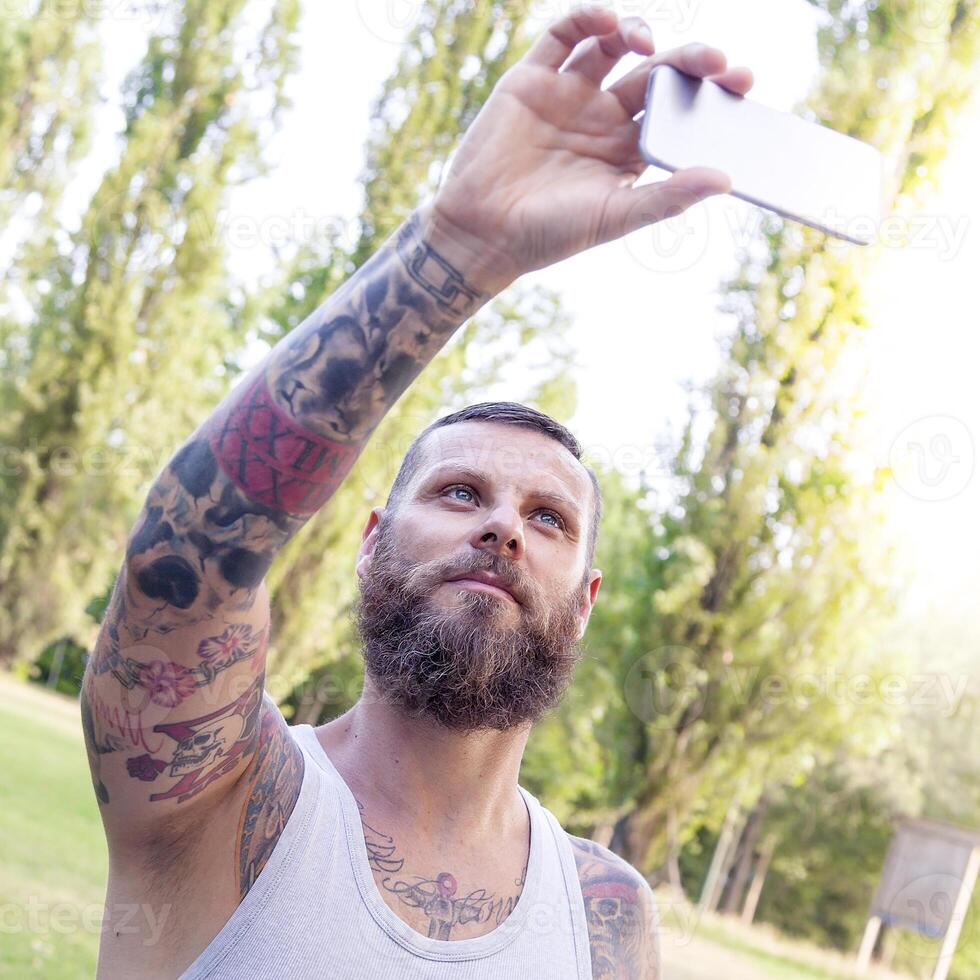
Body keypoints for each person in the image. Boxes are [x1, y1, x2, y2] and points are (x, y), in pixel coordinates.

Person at [81, 7, 753, 977]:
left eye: (547, 517)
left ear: (587, 598)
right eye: (457, 491)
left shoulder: (608, 912)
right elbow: (182, 556)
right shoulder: (224, 794)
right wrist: (458, 250)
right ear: (368, 540)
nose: (500, 526)